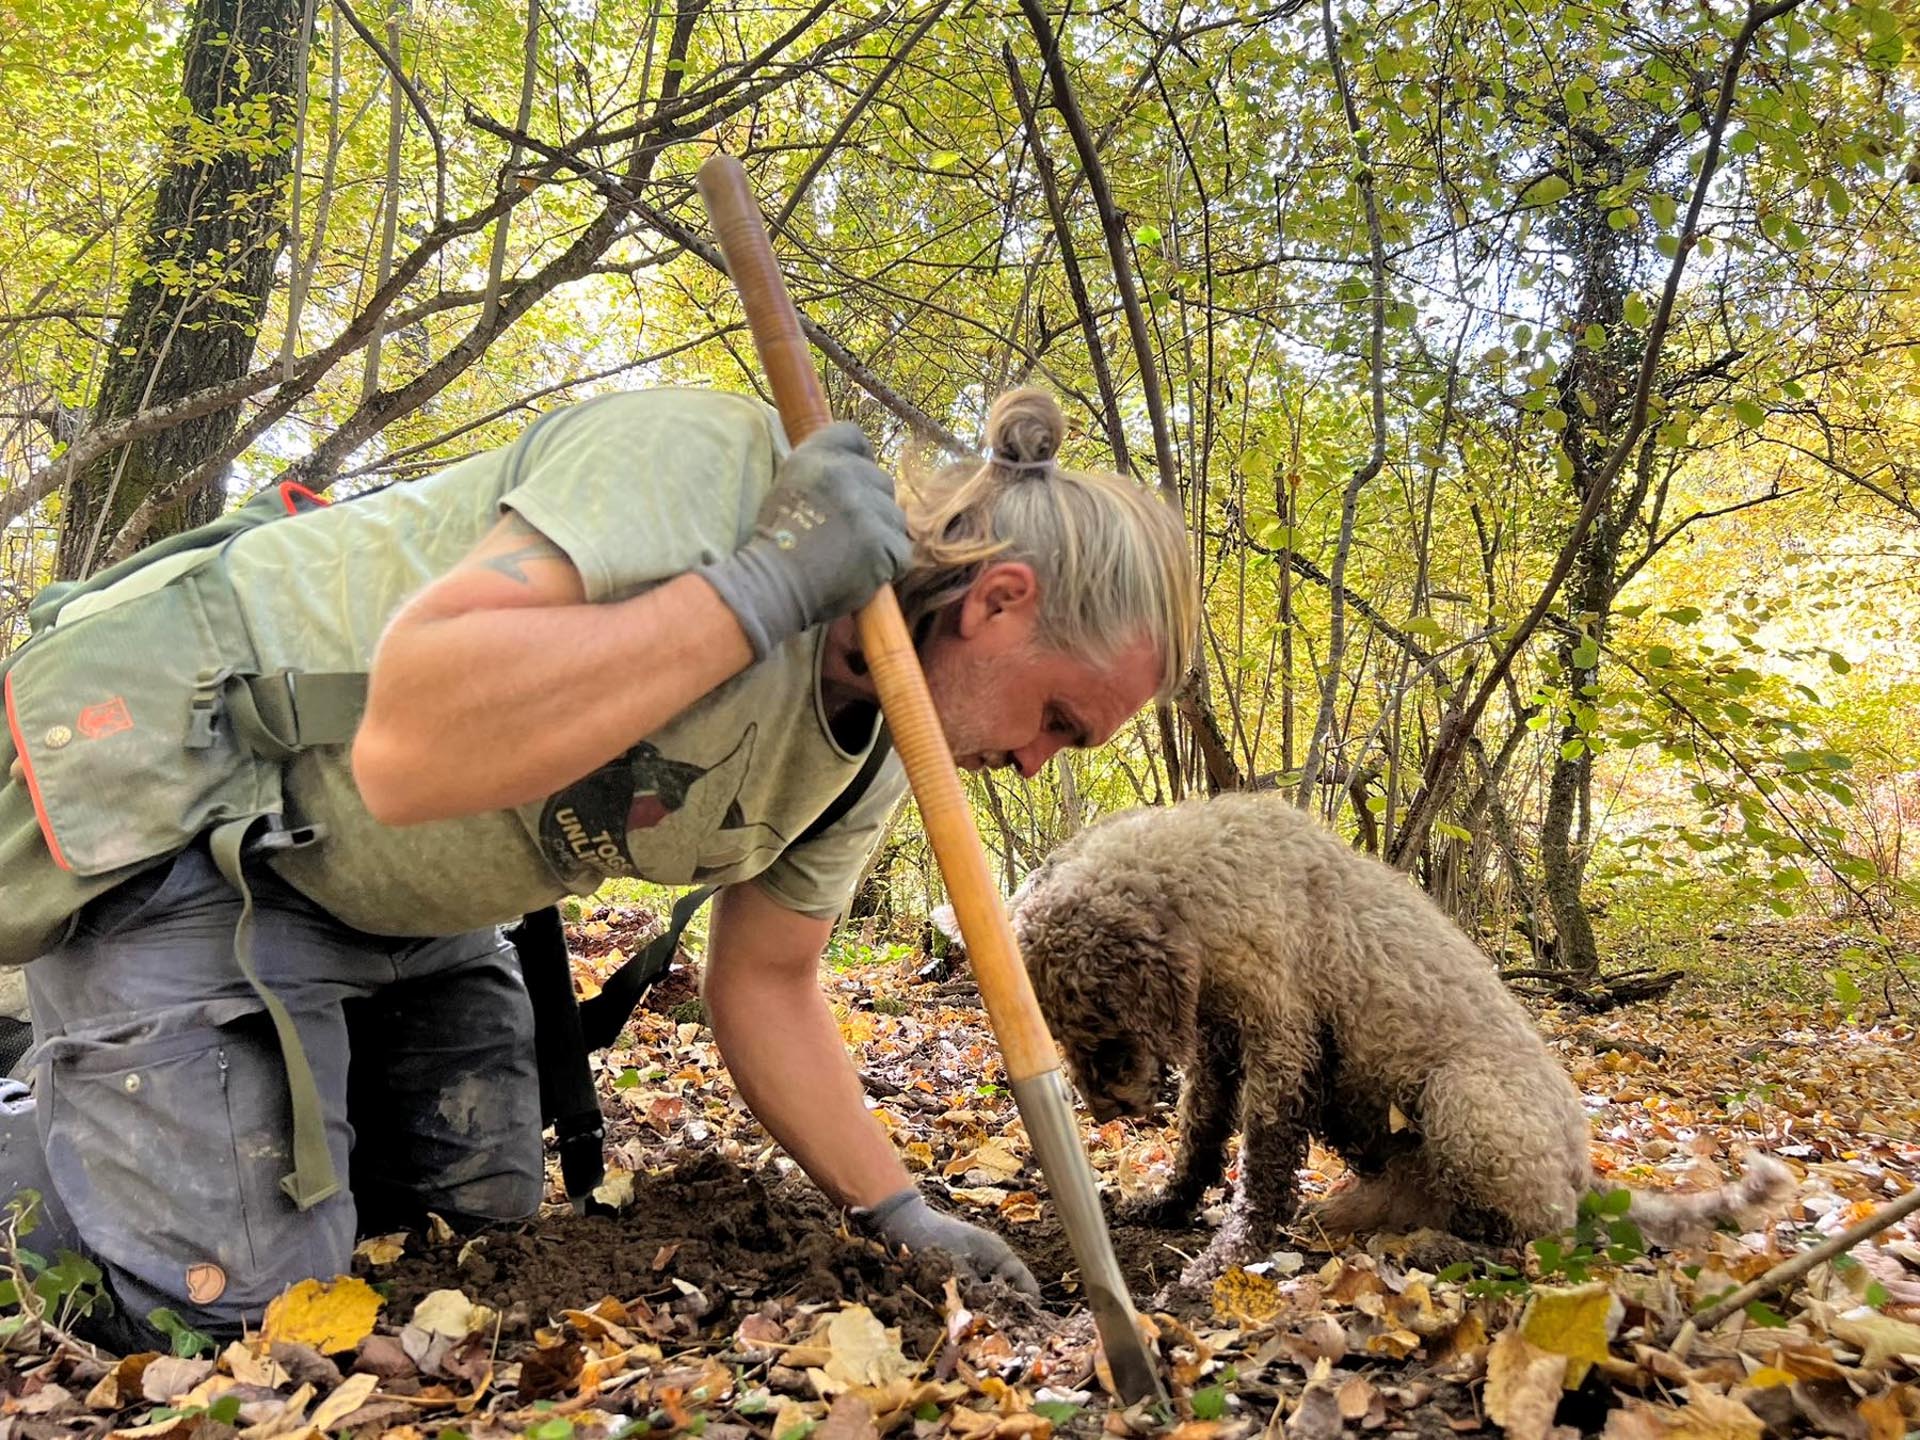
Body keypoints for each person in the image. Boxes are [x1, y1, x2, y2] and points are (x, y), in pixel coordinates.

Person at [0, 385, 1195, 1350]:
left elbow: (767, 984)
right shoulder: (713, 471)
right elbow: (410, 751)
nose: (1041, 767)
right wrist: (761, 586)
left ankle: (187, 1115)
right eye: (1060, 721)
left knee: (473, 1229)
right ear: (999, 600)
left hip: (418, 915)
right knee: (235, 1318)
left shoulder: (880, 749)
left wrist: (894, 1209)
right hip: (214, 824)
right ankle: (57, 1123)